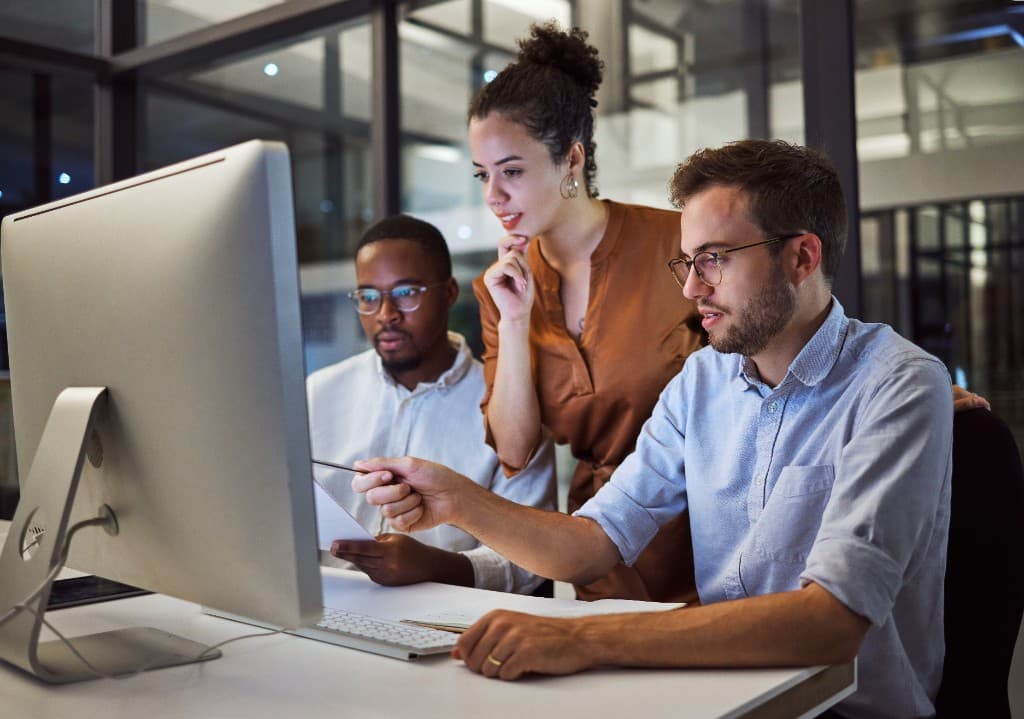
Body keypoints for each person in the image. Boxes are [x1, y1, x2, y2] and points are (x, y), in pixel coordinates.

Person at [353, 141, 953, 719]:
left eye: (715, 258)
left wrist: (590, 640)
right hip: (724, 695)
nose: (692, 289)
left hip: (837, 710)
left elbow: (830, 623)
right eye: (688, 262)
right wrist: (456, 499)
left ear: (802, 257)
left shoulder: (898, 385)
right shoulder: (702, 382)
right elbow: (592, 544)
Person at [468, 21, 703, 602]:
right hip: (599, 552)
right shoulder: (500, 289)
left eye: (512, 171)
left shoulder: (680, 243)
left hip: (710, 539)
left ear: (571, 158)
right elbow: (517, 452)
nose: (493, 197)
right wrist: (517, 320)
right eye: (483, 175)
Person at [306, 215, 555, 594]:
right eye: (369, 297)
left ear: (450, 293)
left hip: (451, 621)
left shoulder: (509, 408)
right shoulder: (319, 394)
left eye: (406, 293)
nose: (386, 314)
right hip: (328, 605)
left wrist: (437, 566)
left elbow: (536, 560)